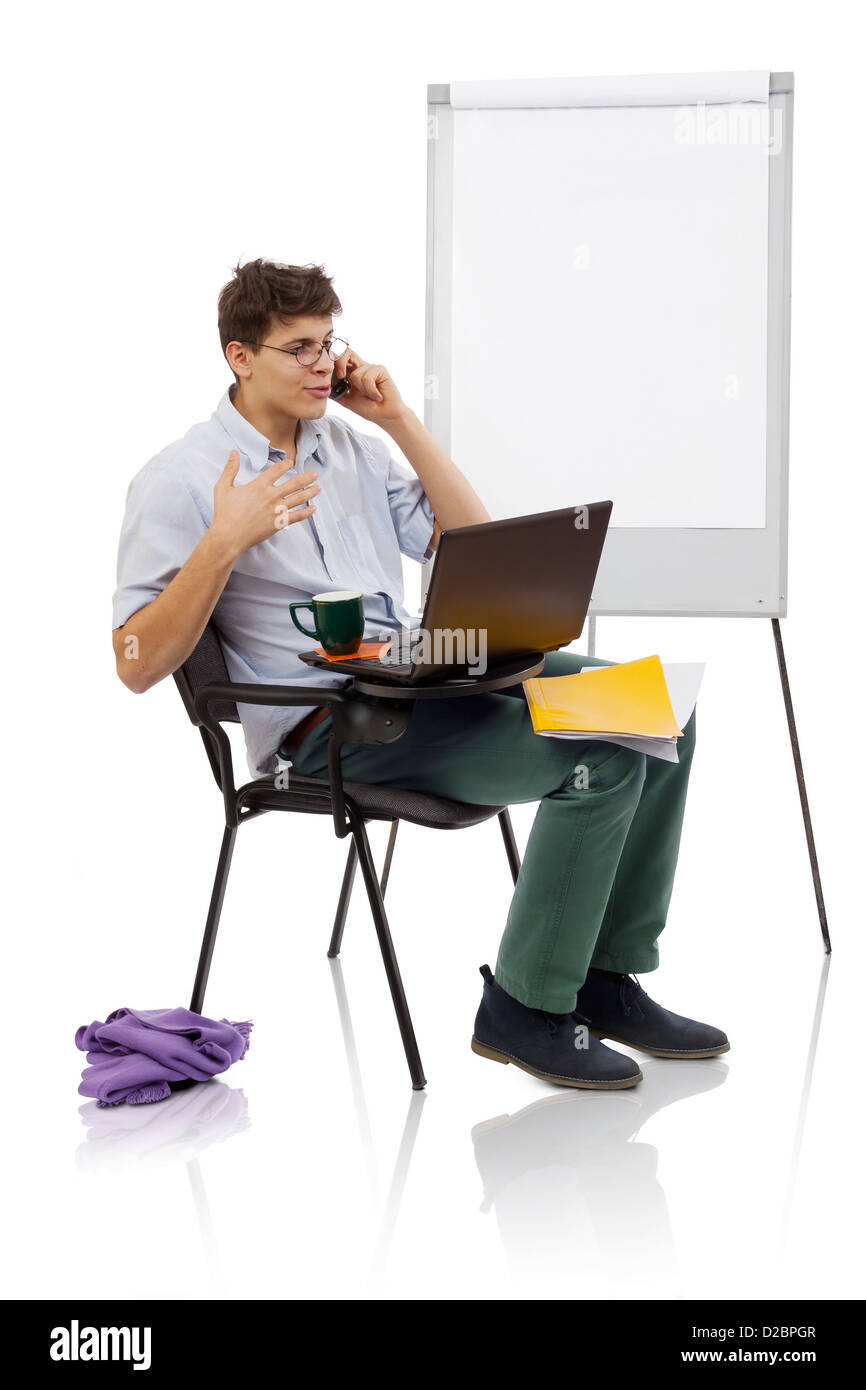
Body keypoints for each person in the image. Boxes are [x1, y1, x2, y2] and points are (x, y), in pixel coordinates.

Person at [112, 257, 729, 1092]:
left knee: (659, 712)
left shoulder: (351, 446)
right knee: (603, 755)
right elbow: (135, 664)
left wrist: (400, 419)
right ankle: (525, 1008)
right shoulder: (179, 479)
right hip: (332, 728)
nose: (322, 365)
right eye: (298, 348)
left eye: (330, 343)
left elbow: (473, 541)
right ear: (239, 356)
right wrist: (224, 542)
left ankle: (603, 981)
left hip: (425, 680)